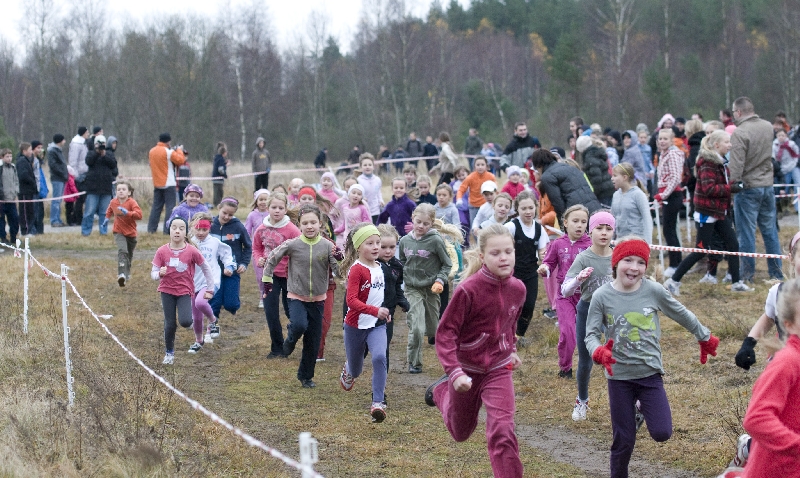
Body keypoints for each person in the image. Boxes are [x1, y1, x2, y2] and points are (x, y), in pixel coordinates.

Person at [586, 237, 719, 478]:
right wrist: (598, 351)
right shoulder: (601, 296)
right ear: (616, 263)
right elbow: (591, 335)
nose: (634, 268)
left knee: (662, 432)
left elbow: (681, 313)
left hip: (649, 374)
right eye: (628, 261)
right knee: (624, 439)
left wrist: (704, 336)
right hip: (619, 377)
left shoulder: (653, 290)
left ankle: (640, 408)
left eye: (640, 262)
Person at [425, 224, 525, 478]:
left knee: (503, 430)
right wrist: (454, 372)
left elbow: (510, 321)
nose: (503, 258)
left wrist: (511, 348)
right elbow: (445, 333)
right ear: (482, 257)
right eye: (495, 253)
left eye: (508, 251)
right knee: (460, 432)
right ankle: (441, 391)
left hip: (499, 368)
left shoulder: (518, 289)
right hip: (466, 369)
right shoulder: (468, 290)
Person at [663, 130, 753, 295]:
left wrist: (735, 184)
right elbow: (709, 188)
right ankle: (673, 281)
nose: (730, 145)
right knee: (701, 250)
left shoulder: (720, 162)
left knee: (733, 245)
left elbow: (720, 183)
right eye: (727, 142)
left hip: (719, 211)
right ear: (716, 145)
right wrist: (730, 188)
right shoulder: (707, 163)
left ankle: (736, 282)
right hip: (707, 211)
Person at [263, 204, 341, 388]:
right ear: (299, 225)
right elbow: (272, 258)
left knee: (313, 340)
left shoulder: (328, 246)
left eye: (313, 222)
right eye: (305, 223)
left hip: (318, 299)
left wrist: (340, 259)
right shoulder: (293, 244)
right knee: (299, 325)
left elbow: (338, 271)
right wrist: (267, 279)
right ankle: (289, 341)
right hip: (296, 295)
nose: (309, 226)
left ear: (320, 223)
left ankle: (306, 376)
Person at [732, 277, 800, 476]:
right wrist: (796, 446)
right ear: (789, 325)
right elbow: (756, 418)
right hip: (776, 468)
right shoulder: (787, 362)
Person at [561, 211, 615, 421]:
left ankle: (624, 399)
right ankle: (582, 399)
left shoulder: (617, 256)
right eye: (599, 228)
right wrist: (578, 280)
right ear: (590, 231)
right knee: (586, 360)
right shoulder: (583, 258)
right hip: (587, 310)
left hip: (612, 312)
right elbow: (565, 290)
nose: (604, 233)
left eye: (608, 229)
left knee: (618, 356)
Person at [338, 223, 390, 421]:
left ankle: (378, 402)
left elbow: (378, 296)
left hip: (377, 325)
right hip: (355, 325)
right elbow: (351, 301)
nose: (376, 247)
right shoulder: (357, 270)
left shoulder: (381, 268)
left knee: (379, 357)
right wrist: (376, 310)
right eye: (370, 243)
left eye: (378, 242)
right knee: (357, 369)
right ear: (359, 247)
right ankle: (349, 369)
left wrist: (384, 312)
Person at [728, 97, 784, 282]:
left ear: (738, 112)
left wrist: (732, 185)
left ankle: (746, 275)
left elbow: (737, 164)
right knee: (770, 231)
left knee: (746, 233)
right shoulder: (768, 126)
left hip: (748, 187)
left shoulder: (740, 132)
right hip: (767, 185)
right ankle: (776, 273)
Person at [151, 217, 215, 365]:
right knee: (170, 324)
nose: (177, 231)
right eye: (174, 228)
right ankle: (169, 353)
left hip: (184, 291)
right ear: (169, 230)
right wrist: (159, 274)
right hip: (166, 291)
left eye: (181, 228)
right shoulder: (162, 251)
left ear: (186, 232)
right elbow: (153, 273)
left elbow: (206, 268)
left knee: (185, 321)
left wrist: (210, 288)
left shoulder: (191, 251)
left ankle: (191, 323)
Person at [538, 205, 591, 378]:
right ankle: (565, 367)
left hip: (586, 296)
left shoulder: (591, 245)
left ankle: (591, 363)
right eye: (575, 221)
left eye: (583, 222)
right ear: (566, 223)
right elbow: (549, 263)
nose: (579, 225)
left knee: (588, 334)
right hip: (564, 295)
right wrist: (545, 268)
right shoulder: (557, 244)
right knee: (568, 332)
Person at [399, 203, 452, 374]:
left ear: (432, 223)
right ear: (413, 219)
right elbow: (402, 262)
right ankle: (414, 363)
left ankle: (452, 363)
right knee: (416, 327)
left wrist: (440, 280)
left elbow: (447, 264)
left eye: (426, 223)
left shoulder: (436, 241)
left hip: (431, 289)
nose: (421, 226)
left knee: (433, 329)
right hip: (412, 288)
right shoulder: (404, 241)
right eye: (418, 222)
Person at [253, 192, 300, 358]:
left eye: (281, 208)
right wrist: (259, 259)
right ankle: (277, 348)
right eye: (274, 207)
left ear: (286, 209)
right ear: (268, 208)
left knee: (291, 313)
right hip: (269, 276)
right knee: (271, 312)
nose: (277, 210)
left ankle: (291, 338)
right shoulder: (261, 228)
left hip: (288, 276)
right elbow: (257, 247)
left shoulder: (292, 230)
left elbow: (300, 250)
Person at [187, 213, 235, 354]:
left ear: (210, 229)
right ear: (192, 227)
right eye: (198, 229)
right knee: (196, 317)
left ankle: (213, 321)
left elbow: (227, 253)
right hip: (193, 282)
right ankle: (198, 341)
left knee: (200, 303)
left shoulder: (214, 242)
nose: (201, 233)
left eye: (205, 230)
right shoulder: (188, 242)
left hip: (211, 280)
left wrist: (229, 266)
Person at [505, 191, 549, 342]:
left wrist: (545, 259)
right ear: (517, 209)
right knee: (511, 306)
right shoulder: (511, 227)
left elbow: (542, 252)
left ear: (536, 207)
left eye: (531, 208)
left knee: (529, 306)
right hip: (512, 273)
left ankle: (518, 336)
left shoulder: (539, 229)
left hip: (531, 273)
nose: (528, 211)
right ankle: (506, 334)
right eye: (524, 208)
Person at [209, 197, 251, 337]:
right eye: (224, 213)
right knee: (214, 301)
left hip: (232, 271)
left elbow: (248, 247)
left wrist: (243, 263)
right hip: (213, 271)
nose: (227, 217)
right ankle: (213, 325)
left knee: (231, 304)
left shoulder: (238, 227)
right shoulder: (210, 225)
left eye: (230, 214)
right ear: (219, 208)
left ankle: (230, 304)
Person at [376, 224, 410, 373]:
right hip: (368, 312)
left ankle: (381, 381)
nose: (388, 251)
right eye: (383, 247)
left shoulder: (397, 265)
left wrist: (401, 300)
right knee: (362, 348)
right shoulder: (372, 266)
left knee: (384, 347)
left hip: (388, 314)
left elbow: (397, 285)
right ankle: (351, 367)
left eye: (392, 247)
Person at [532, 149, 601, 221]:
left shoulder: (547, 177)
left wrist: (563, 223)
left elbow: (558, 204)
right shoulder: (569, 167)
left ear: (538, 165)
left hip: (577, 213)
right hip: (595, 208)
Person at [653, 127, 685, 278]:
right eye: (660, 139)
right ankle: (676, 262)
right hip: (667, 194)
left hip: (672, 195)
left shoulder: (672, 154)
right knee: (669, 230)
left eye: (665, 139)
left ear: (671, 140)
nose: (662, 141)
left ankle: (674, 264)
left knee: (669, 230)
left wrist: (664, 195)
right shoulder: (663, 154)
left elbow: (675, 177)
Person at [104, 180, 142, 287]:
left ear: (129, 192)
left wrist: (128, 213)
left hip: (131, 233)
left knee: (128, 255)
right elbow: (110, 210)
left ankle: (127, 273)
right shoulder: (113, 202)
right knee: (122, 251)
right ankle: (121, 275)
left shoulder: (132, 202)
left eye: (123, 189)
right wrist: (106, 218)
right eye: (118, 189)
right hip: (118, 231)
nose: (121, 191)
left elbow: (139, 215)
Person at [147, 133, 186, 235]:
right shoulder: (168, 152)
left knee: (156, 207)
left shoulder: (152, 151)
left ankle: (151, 229)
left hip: (157, 183)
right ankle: (167, 229)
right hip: (169, 183)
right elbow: (180, 160)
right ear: (168, 141)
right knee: (170, 207)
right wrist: (179, 150)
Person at [82, 135, 118, 236]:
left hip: (106, 188)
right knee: (89, 212)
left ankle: (103, 231)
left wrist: (104, 155)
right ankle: (86, 232)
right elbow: (88, 162)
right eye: (99, 143)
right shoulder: (91, 153)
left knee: (104, 212)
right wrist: (96, 153)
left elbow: (113, 165)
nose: (101, 146)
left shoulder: (109, 154)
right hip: (93, 188)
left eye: (103, 143)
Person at [611, 163, 652, 243]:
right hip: (620, 240)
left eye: (615, 176)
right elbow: (613, 219)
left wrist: (648, 243)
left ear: (624, 177)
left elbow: (647, 219)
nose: (612, 178)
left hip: (636, 240)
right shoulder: (615, 195)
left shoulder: (638, 194)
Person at [246, 189, 271, 307]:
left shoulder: (272, 214)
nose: (263, 202)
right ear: (256, 201)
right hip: (257, 249)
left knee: (271, 274)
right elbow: (246, 231)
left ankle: (270, 295)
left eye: (266, 199)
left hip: (271, 247)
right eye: (261, 199)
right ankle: (262, 296)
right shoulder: (252, 215)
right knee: (260, 275)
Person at [456, 156, 496, 225]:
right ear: (474, 166)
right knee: (474, 225)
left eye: (482, 165)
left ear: (486, 166)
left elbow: (495, 190)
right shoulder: (470, 177)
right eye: (478, 165)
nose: (480, 167)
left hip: (487, 205)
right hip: (473, 206)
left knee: (487, 225)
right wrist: (459, 199)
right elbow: (461, 189)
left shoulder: (491, 177)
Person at [334, 184, 371, 249]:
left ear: (361, 197)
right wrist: (338, 230)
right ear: (349, 194)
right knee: (347, 252)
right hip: (347, 237)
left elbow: (367, 222)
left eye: (359, 194)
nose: (356, 195)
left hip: (359, 237)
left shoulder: (362, 208)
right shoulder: (344, 207)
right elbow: (345, 223)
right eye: (353, 193)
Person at [581, 137, 614, 206]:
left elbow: (596, 178)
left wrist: (594, 194)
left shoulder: (590, 158)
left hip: (602, 192)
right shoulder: (596, 154)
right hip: (608, 188)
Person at [68, 126, 89, 223]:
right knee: (79, 198)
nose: (88, 134)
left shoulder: (83, 143)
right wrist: (75, 175)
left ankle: (79, 217)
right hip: (79, 174)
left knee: (83, 197)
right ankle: (77, 218)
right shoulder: (76, 144)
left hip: (84, 172)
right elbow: (73, 160)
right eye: (87, 132)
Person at [16, 143, 37, 236]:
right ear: (24, 151)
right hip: (24, 190)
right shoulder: (22, 161)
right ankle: (25, 231)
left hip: (29, 190)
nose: (31, 152)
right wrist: (32, 181)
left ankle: (29, 230)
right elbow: (23, 175)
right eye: (30, 150)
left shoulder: (27, 160)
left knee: (30, 211)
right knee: (25, 212)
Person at [47, 134, 68, 227]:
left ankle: (58, 219)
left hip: (61, 178)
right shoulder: (52, 151)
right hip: (57, 178)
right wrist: (62, 172)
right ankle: (54, 220)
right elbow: (53, 165)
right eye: (63, 140)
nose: (64, 141)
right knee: (56, 200)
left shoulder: (58, 150)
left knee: (59, 200)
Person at [0, 148, 19, 245]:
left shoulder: (13, 167)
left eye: (10, 156)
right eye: (7, 156)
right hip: (2, 200)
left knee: (14, 219)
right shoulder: (1, 168)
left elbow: (16, 181)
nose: (9, 158)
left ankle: (13, 237)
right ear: (2, 157)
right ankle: (3, 238)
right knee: (1, 220)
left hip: (11, 199)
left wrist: (16, 193)